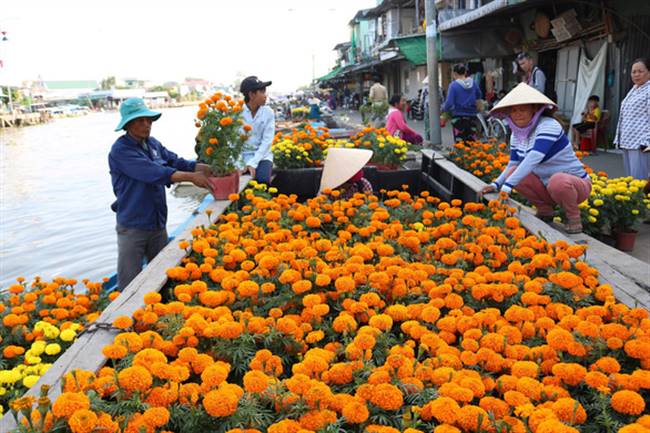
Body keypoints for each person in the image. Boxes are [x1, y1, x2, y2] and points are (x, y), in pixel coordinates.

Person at [108, 98, 212, 290]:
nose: (146, 124)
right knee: (129, 283)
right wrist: (192, 177)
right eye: (140, 121)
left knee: (162, 276)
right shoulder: (121, 151)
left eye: (148, 120)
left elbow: (176, 162)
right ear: (128, 124)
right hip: (133, 226)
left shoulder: (153, 144)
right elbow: (154, 173)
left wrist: (207, 169)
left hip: (157, 222)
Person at [480, 83, 591, 234]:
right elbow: (513, 163)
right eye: (513, 110)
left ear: (535, 109)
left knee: (558, 181)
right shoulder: (516, 134)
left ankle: (573, 218)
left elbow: (534, 157)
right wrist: (496, 184)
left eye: (523, 109)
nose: (518, 113)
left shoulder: (549, 125)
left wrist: (508, 186)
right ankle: (545, 211)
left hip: (575, 185)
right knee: (514, 171)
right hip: (546, 186)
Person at [614, 58, 650, 180]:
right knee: (631, 180)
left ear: (648, 72)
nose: (636, 74)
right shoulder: (634, 89)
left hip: (641, 143)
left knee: (640, 181)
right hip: (627, 141)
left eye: (640, 71)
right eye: (633, 72)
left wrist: (647, 141)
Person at [240, 76, 275, 184]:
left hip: (263, 156)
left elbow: (267, 141)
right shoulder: (236, 113)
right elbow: (233, 143)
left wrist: (253, 163)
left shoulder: (268, 112)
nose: (266, 96)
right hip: (242, 156)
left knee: (262, 180)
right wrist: (239, 164)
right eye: (262, 92)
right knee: (237, 181)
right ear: (251, 95)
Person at [441, 64, 482, 142]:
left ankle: (461, 153)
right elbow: (479, 95)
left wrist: (443, 109)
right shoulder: (473, 83)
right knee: (471, 141)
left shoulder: (453, 85)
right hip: (472, 117)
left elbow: (449, 102)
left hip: (458, 118)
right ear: (465, 72)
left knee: (460, 142)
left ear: (454, 73)